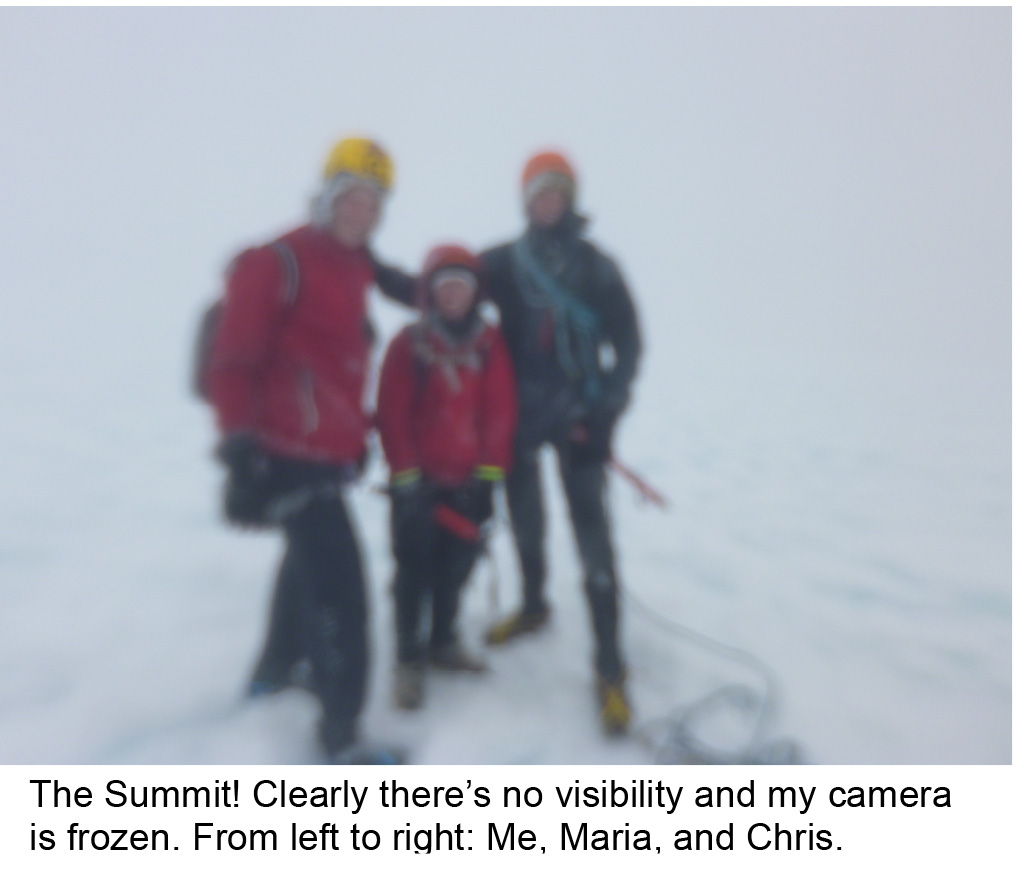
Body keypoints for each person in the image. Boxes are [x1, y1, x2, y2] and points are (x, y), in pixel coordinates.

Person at [206, 136, 410, 761]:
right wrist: (239, 451)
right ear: (327, 196)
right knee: (344, 594)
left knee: (303, 567)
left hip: (328, 453)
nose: (361, 211)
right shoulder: (277, 261)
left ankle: (275, 668)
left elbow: (400, 293)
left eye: (373, 203)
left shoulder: (355, 264)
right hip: (283, 455)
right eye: (352, 197)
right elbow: (233, 363)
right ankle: (342, 737)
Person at [480, 150, 642, 735]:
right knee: (526, 521)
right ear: (525, 202)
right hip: (522, 421)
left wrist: (607, 416)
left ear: (570, 198)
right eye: (537, 193)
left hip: (579, 422)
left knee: (593, 536)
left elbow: (629, 346)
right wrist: (366, 267)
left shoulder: (598, 267)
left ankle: (610, 665)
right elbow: (441, 284)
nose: (547, 202)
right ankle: (533, 605)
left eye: (557, 192)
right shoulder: (502, 262)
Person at [376, 245, 517, 710]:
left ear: (475, 292)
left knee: (456, 568)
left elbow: (500, 411)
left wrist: (488, 478)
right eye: (444, 285)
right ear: (431, 293)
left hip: (468, 484)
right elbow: (392, 416)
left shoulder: (490, 343)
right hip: (417, 485)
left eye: (462, 284)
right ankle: (408, 660)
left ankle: (443, 641)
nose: (453, 293)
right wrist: (408, 479)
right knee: (412, 572)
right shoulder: (409, 343)